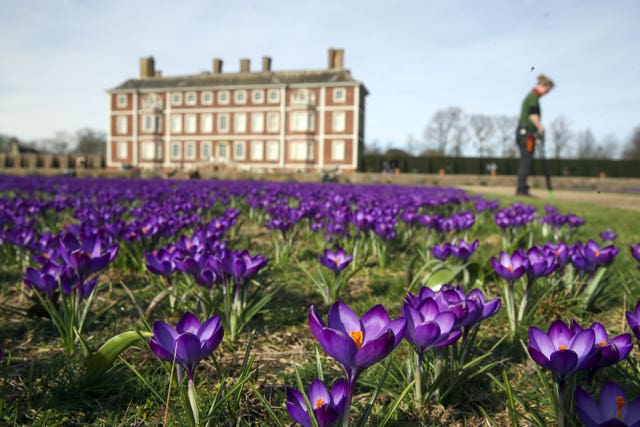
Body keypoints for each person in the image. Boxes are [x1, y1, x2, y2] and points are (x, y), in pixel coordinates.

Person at [515, 74, 554, 196]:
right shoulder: (533, 97)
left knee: (525, 160)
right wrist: (541, 128)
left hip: (525, 132)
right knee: (526, 160)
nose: (547, 93)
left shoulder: (532, 96)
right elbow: (533, 116)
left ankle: (523, 188)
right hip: (526, 133)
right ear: (543, 85)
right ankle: (522, 189)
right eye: (547, 90)